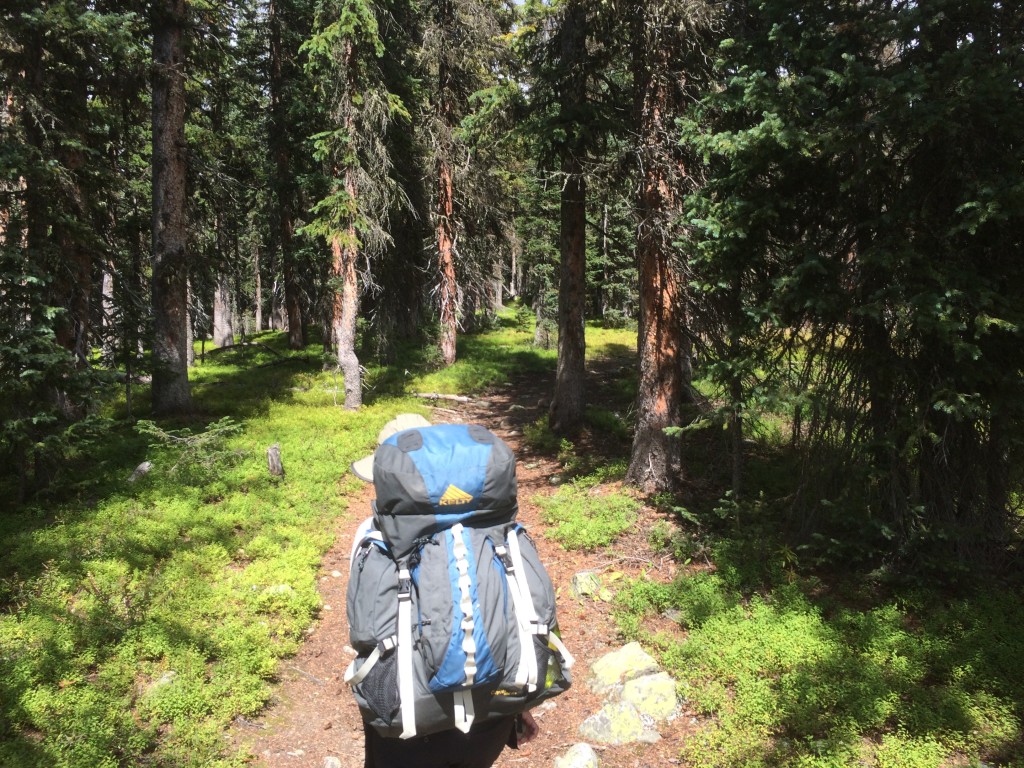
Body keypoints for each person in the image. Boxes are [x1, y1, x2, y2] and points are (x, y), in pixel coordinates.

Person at [350, 415, 543, 768]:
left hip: (409, 714)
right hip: (491, 712)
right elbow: (520, 614)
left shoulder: (372, 535)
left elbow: (367, 629)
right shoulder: (496, 530)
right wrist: (520, 706)